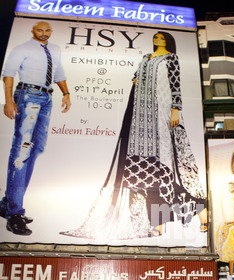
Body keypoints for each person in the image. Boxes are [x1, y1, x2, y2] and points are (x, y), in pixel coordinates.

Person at [61, 31, 207, 241]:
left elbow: (175, 84)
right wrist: (139, 83)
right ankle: (158, 225)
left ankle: (201, 215)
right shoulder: (145, 58)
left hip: (162, 114)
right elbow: (136, 79)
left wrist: (176, 108)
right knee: (143, 176)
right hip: (140, 119)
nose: (158, 40)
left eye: (162, 38)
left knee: (166, 171)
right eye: (156, 38)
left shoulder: (171, 58)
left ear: (168, 41)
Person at [0, 21, 71, 236]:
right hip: (27, 96)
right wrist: (9, 101)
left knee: (37, 148)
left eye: (47, 30)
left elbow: (58, 72)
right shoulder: (22, 48)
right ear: (33, 31)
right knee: (21, 151)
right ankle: (15, 213)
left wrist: (66, 93)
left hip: (47, 96)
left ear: (51, 32)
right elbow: (8, 73)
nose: (44, 33)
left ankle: (7, 203)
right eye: (40, 30)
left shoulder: (55, 49)